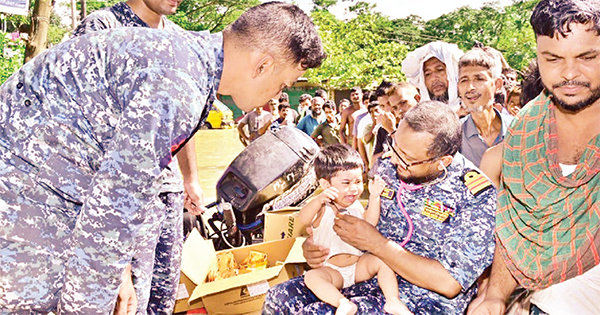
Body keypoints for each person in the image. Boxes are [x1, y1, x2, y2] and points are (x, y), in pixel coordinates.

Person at [0, 2, 325, 314]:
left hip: (44, 182)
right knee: (30, 298)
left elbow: (116, 200)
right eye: (281, 85)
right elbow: (113, 207)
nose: (276, 96)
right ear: (262, 65)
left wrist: (117, 273)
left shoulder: (189, 60)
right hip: (24, 189)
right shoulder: (179, 82)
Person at [263, 101, 497, 315]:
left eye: (405, 158)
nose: (393, 160)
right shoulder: (387, 165)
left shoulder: (475, 195)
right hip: (365, 272)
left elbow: (448, 283)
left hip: (424, 297)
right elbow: (357, 218)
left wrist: (376, 243)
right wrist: (319, 246)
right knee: (278, 299)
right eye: (394, 145)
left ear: (442, 162)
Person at [72, 0, 205, 312]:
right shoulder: (104, 28)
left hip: (168, 193)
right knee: (127, 300)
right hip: (124, 198)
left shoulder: (178, 39)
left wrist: (191, 179)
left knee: (163, 297)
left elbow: (182, 119)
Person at [469, 1, 600, 314]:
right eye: (553, 58)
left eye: (587, 57)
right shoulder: (527, 128)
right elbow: (517, 224)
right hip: (544, 304)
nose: (569, 73)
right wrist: (495, 296)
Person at [298, 144, 411, 315]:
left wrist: (374, 196)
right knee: (312, 277)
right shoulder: (323, 207)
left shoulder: (355, 205)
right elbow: (302, 219)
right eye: (346, 183)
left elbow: (369, 222)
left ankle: (393, 301)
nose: (354, 188)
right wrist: (319, 200)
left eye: (358, 182)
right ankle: (342, 303)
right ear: (325, 184)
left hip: (358, 265)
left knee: (383, 261)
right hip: (332, 270)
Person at [457, 48, 513, 167]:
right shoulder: (454, 136)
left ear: (497, 85)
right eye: (464, 80)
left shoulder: (517, 128)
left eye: (479, 79)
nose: (470, 87)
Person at [401, 41, 464, 109]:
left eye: (440, 70)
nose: (433, 78)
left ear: (453, 72)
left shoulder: (474, 111)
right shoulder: (421, 117)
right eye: (427, 74)